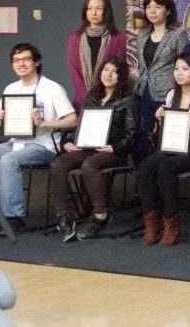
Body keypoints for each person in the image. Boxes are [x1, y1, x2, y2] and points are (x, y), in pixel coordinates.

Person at [0, 44, 77, 235]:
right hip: (15, 142)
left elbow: (73, 120)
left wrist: (43, 124)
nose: (21, 64)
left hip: (44, 145)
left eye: (26, 59)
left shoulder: (52, 88)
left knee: (9, 160)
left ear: (36, 62)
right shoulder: (11, 88)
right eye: (16, 60)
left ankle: (14, 218)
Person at [50, 57, 141, 242]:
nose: (108, 74)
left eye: (114, 71)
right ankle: (62, 216)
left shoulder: (130, 99)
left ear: (121, 76)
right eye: (106, 69)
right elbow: (79, 126)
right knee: (58, 164)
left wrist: (114, 147)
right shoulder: (92, 96)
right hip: (88, 146)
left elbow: (133, 134)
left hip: (115, 152)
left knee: (89, 165)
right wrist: (67, 141)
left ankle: (100, 214)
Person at [137, 52, 190, 246]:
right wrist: (161, 118)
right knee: (147, 165)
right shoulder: (171, 95)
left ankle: (172, 223)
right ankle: (151, 223)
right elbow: (169, 130)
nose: (179, 73)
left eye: (185, 69)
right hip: (173, 147)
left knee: (166, 167)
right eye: (176, 68)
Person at [135, 0, 188, 164]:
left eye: (158, 7)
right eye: (148, 7)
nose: (152, 11)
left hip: (168, 92)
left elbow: (186, 65)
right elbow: (143, 66)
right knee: (143, 136)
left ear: (169, 10)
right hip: (143, 92)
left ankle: (161, 177)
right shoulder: (141, 34)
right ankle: (143, 177)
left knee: (164, 138)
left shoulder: (177, 34)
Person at [66, 0, 127, 110]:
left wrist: (102, 98)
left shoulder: (118, 38)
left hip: (109, 100)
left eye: (99, 8)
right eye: (90, 8)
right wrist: (89, 98)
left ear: (106, 11)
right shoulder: (76, 38)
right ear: (85, 11)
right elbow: (73, 72)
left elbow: (119, 70)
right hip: (82, 100)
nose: (94, 13)